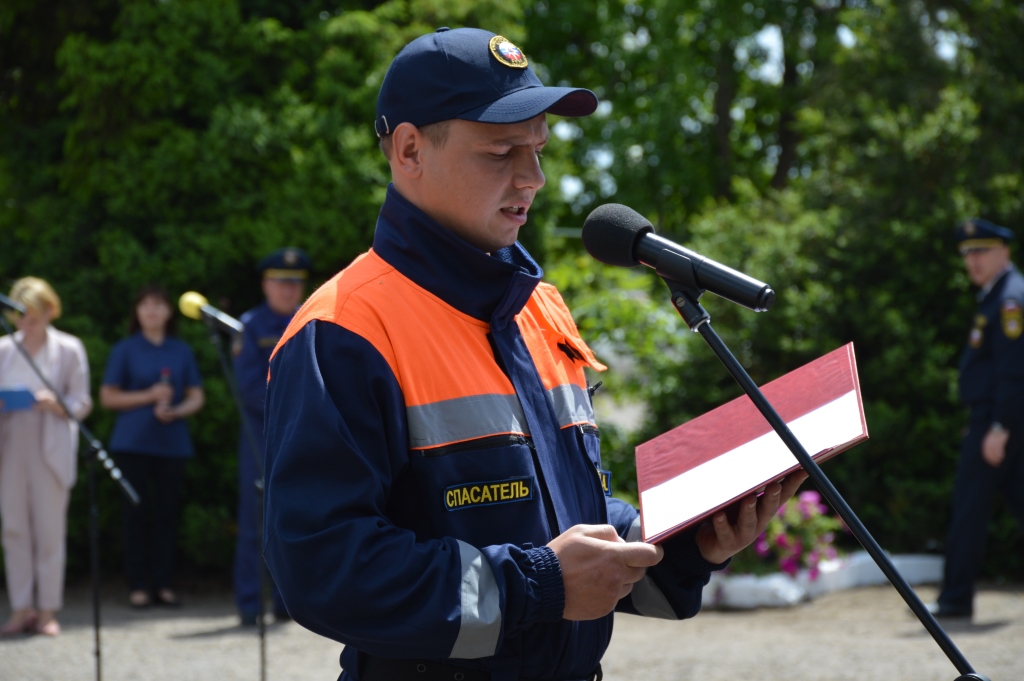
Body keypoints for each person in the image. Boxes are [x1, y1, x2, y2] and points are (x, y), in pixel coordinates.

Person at [263, 27, 808, 681]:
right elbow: (322, 568)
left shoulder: (540, 309)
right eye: (502, 152)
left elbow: (565, 514)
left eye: (539, 150)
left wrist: (680, 543)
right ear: (409, 150)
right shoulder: (342, 330)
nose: (535, 178)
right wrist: (541, 583)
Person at [930, 218, 1024, 619]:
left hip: (998, 421)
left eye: (981, 250)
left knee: (969, 507)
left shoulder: (1009, 299)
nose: (973, 260)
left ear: (1004, 251)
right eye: (967, 252)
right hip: (998, 420)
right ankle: (955, 595)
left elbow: (1013, 371)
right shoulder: (998, 295)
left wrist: (999, 427)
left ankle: (955, 598)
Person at [100, 285, 205, 609]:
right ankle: (137, 585)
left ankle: (164, 584)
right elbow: (108, 397)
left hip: (172, 444)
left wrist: (178, 411)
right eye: (145, 305)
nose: (152, 311)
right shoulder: (125, 349)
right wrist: (149, 396)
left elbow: (196, 396)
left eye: (158, 305)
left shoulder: (180, 350)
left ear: (169, 312)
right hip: (132, 444)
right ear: (137, 312)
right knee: (134, 515)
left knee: (166, 516)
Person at [0, 277, 92, 637]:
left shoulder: (68, 348)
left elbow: (82, 401)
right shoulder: (4, 349)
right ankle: (21, 608)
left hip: (50, 443)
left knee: (50, 531)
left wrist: (57, 404)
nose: (26, 324)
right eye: (20, 316)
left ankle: (48, 610)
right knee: (14, 529)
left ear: (50, 310)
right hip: (10, 442)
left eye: (33, 317)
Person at [232, 247, 311, 626]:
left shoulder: (310, 319)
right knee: (255, 521)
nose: (288, 289)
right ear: (265, 284)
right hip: (261, 435)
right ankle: (250, 603)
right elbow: (249, 386)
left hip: (304, 434)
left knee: (295, 518)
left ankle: (287, 603)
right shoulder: (249, 326)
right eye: (281, 282)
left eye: (294, 283)